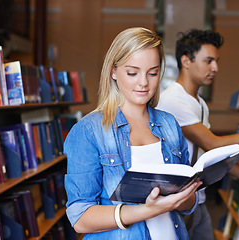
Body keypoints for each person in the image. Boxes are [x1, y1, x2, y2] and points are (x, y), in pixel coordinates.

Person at [64, 27, 202, 240]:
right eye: (132, 72)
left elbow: (188, 204)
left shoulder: (169, 124)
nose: (144, 82)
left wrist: (184, 196)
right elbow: (80, 218)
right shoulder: (89, 131)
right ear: (113, 71)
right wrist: (147, 210)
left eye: (153, 73)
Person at [156, 29, 239, 240]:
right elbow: (214, 144)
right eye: (208, 61)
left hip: (196, 200)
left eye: (216, 61)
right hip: (177, 203)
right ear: (186, 61)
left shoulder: (199, 103)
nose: (215, 68)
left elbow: (210, 157)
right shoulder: (174, 100)